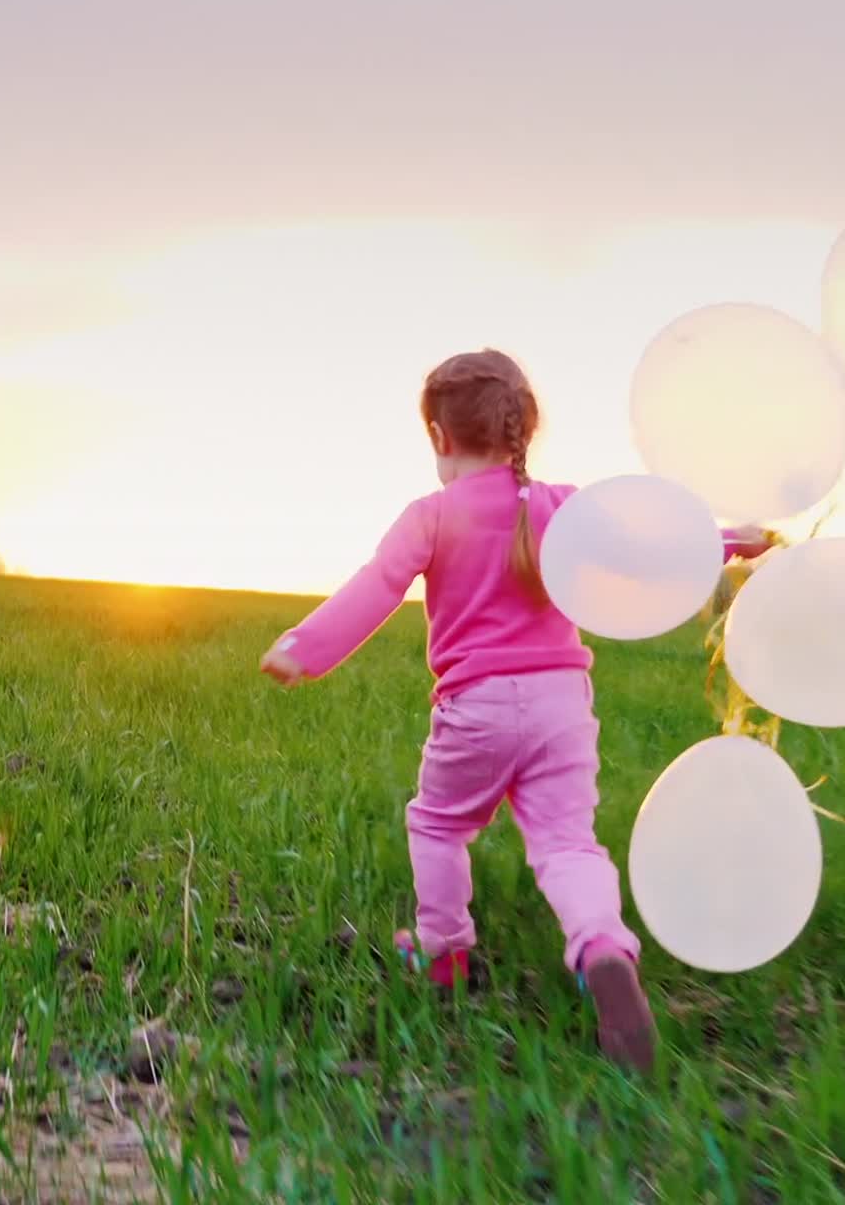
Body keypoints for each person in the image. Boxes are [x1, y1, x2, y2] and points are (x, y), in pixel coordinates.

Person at [258, 348, 769, 1073]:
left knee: (437, 824)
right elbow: (642, 549)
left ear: (439, 437)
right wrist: (727, 540)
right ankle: (600, 947)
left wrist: (304, 648)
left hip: (477, 706)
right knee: (567, 844)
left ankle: (445, 954)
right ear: (521, 426)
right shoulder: (560, 504)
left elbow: (376, 587)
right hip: (563, 702)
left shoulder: (431, 515)